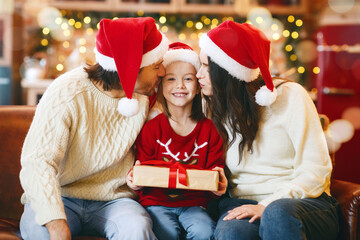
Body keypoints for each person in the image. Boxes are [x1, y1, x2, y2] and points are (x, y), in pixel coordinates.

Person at [19, 17, 169, 240]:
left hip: (116, 200)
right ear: (131, 68)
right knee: (41, 233)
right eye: (156, 66)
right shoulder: (68, 91)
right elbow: (37, 162)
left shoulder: (148, 96)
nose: (163, 72)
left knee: (137, 230)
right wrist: (57, 224)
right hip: (61, 195)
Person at [196, 20, 339, 240]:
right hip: (241, 202)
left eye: (206, 67)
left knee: (277, 213)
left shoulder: (290, 96)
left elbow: (315, 170)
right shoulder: (213, 106)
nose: (198, 74)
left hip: (302, 202)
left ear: (227, 72)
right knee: (232, 232)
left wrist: (267, 205)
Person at [126, 42, 228, 240]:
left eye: (188, 79)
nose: (180, 86)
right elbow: (142, 169)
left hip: (195, 205)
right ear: (161, 86)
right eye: (171, 79)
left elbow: (215, 173)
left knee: (204, 231)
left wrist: (218, 185)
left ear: (198, 88)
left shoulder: (211, 130)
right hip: (156, 203)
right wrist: (135, 181)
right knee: (168, 233)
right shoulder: (151, 128)